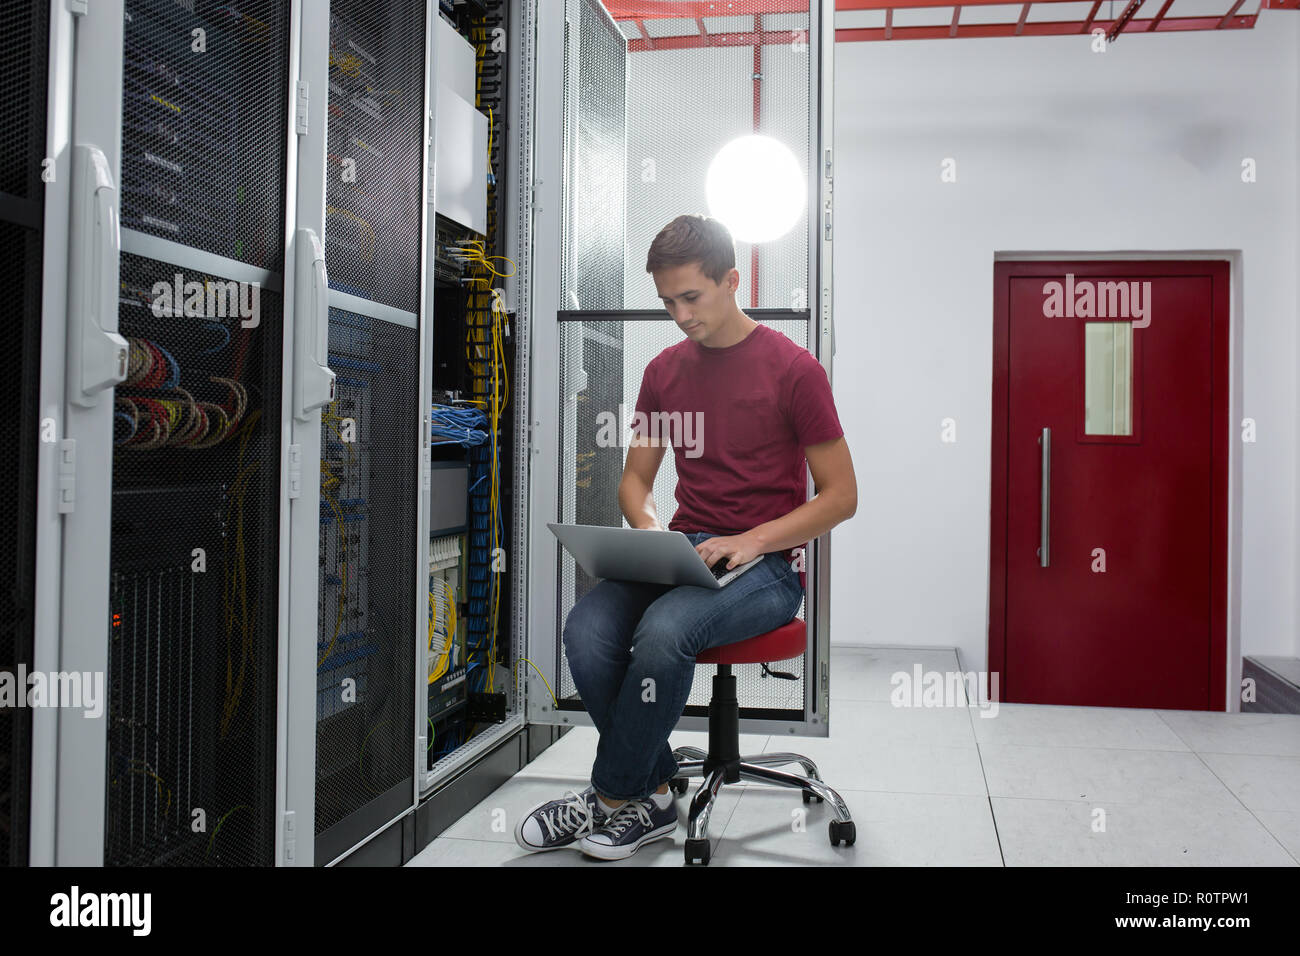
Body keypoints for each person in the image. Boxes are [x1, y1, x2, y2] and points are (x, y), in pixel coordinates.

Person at [515, 213, 857, 860]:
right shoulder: (665, 372)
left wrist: (755, 541)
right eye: (667, 301)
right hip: (684, 549)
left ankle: (611, 798)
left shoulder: (794, 371)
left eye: (690, 298)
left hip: (768, 566)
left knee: (665, 632)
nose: (678, 315)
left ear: (731, 281)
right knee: (586, 631)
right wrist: (647, 532)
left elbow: (843, 496)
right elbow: (634, 483)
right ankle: (652, 793)